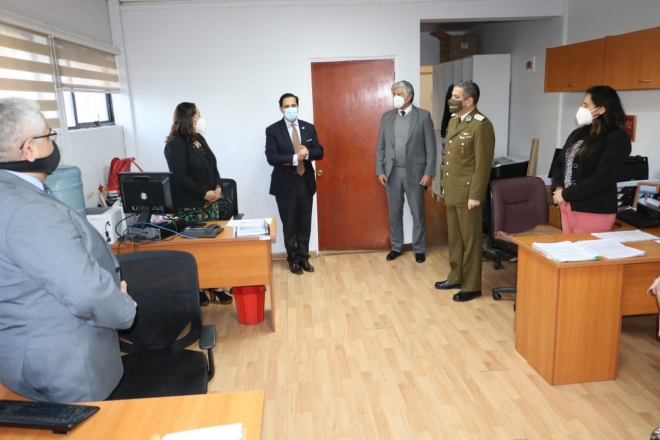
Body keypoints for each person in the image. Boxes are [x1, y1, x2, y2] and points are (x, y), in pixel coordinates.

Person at [0, 97, 137, 403]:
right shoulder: (29, 211)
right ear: (29, 149)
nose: (53, 143)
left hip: (19, 357)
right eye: (49, 135)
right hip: (61, 368)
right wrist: (124, 308)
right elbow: (86, 292)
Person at [164, 102, 232, 305]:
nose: (201, 118)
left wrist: (218, 185)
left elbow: (213, 165)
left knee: (212, 250)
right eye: (198, 114)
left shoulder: (199, 139)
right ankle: (199, 289)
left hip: (210, 205)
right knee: (196, 251)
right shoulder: (175, 144)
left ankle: (216, 286)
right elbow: (180, 177)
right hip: (191, 207)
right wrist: (204, 193)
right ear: (188, 118)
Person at [434, 81, 495, 302]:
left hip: (469, 193)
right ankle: (456, 276)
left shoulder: (481, 125)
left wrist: (476, 195)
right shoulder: (454, 120)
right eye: (452, 95)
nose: (451, 100)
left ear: (469, 101)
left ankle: (472, 285)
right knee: (455, 238)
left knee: (471, 241)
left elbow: (482, 164)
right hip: (453, 189)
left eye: (456, 97)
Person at [551, 86, 632, 233]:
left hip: (593, 208)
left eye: (586, 105)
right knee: (569, 247)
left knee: (586, 248)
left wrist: (566, 195)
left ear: (601, 109)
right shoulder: (578, 133)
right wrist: (559, 188)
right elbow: (559, 164)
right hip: (566, 203)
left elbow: (603, 178)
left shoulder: (618, 138)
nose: (581, 108)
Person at [376, 80, 437, 263]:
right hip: (392, 173)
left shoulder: (423, 116)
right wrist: (380, 170)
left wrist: (428, 172)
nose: (395, 97)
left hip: (416, 173)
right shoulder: (387, 117)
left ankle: (419, 248)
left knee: (417, 213)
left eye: (398, 94)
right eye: (393, 94)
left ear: (409, 96)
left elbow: (431, 148)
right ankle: (396, 247)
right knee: (394, 213)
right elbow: (381, 147)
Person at [265, 93, 324, 275]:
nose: (291, 109)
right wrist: (293, 158)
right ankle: (293, 260)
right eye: (287, 106)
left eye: (293, 105)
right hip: (285, 184)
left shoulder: (308, 127)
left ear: (298, 106)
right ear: (281, 109)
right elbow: (271, 157)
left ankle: (304, 258)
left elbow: (319, 151)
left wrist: (309, 153)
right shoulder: (273, 130)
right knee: (290, 224)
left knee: (304, 223)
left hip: (305, 182)